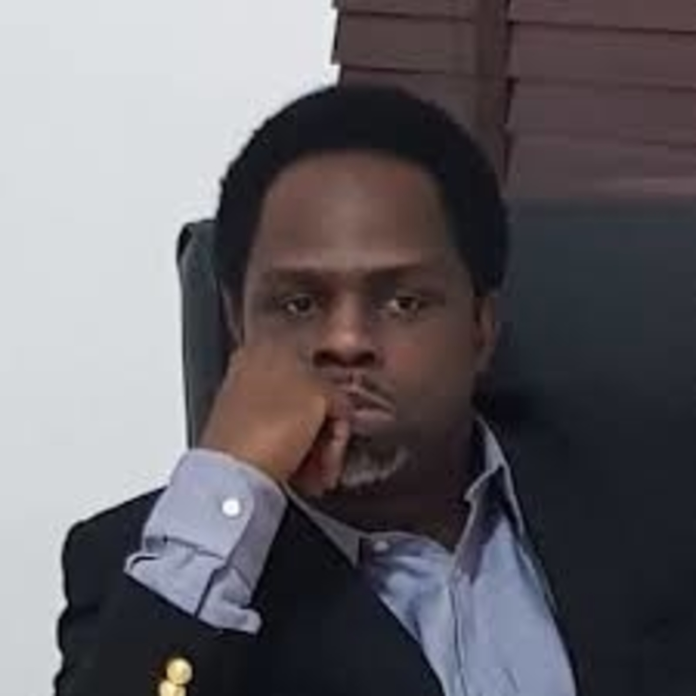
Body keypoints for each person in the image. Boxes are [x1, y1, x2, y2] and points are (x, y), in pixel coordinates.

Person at [53, 85, 689, 696]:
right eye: (299, 304)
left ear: (481, 327)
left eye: (403, 302)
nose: (346, 340)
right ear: (238, 326)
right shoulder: (155, 576)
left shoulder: (642, 494)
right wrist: (226, 485)